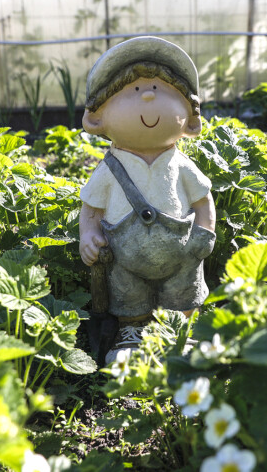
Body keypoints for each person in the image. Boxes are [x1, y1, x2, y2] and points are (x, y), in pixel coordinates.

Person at [79, 36, 216, 362]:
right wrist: (89, 234)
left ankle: (178, 331)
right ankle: (132, 333)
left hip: (181, 254)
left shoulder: (181, 165)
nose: (150, 95)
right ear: (96, 118)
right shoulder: (110, 169)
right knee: (127, 293)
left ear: (191, 119)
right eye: (133, 91)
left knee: (182, 294)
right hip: (126, 259)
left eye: (163, 90)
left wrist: (205, 231)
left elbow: (202, 200)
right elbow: (91, 210)